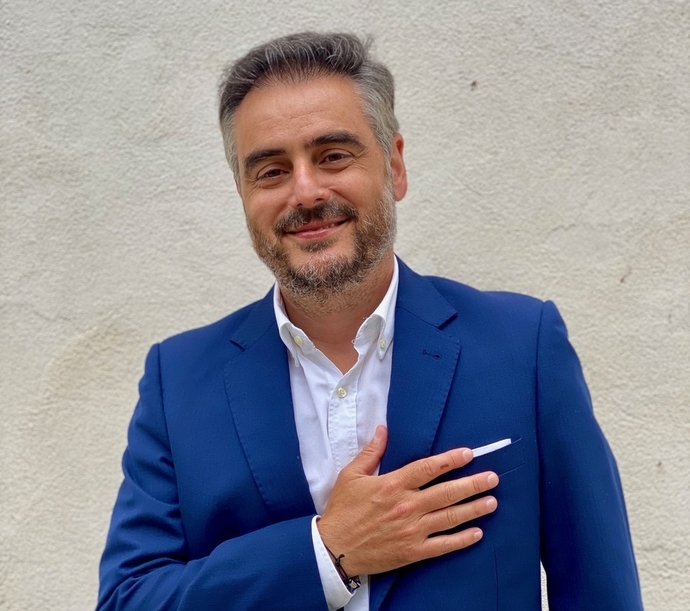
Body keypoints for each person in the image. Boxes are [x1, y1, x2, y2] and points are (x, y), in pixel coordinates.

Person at [97, 32, 643, 611]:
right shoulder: (178, 380)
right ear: (242, 193)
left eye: (333, 156)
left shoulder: (523, 345)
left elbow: (601, 591)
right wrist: (326, 552)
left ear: (395, 165)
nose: (305, 191)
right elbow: (129, 599)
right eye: (271, 171)